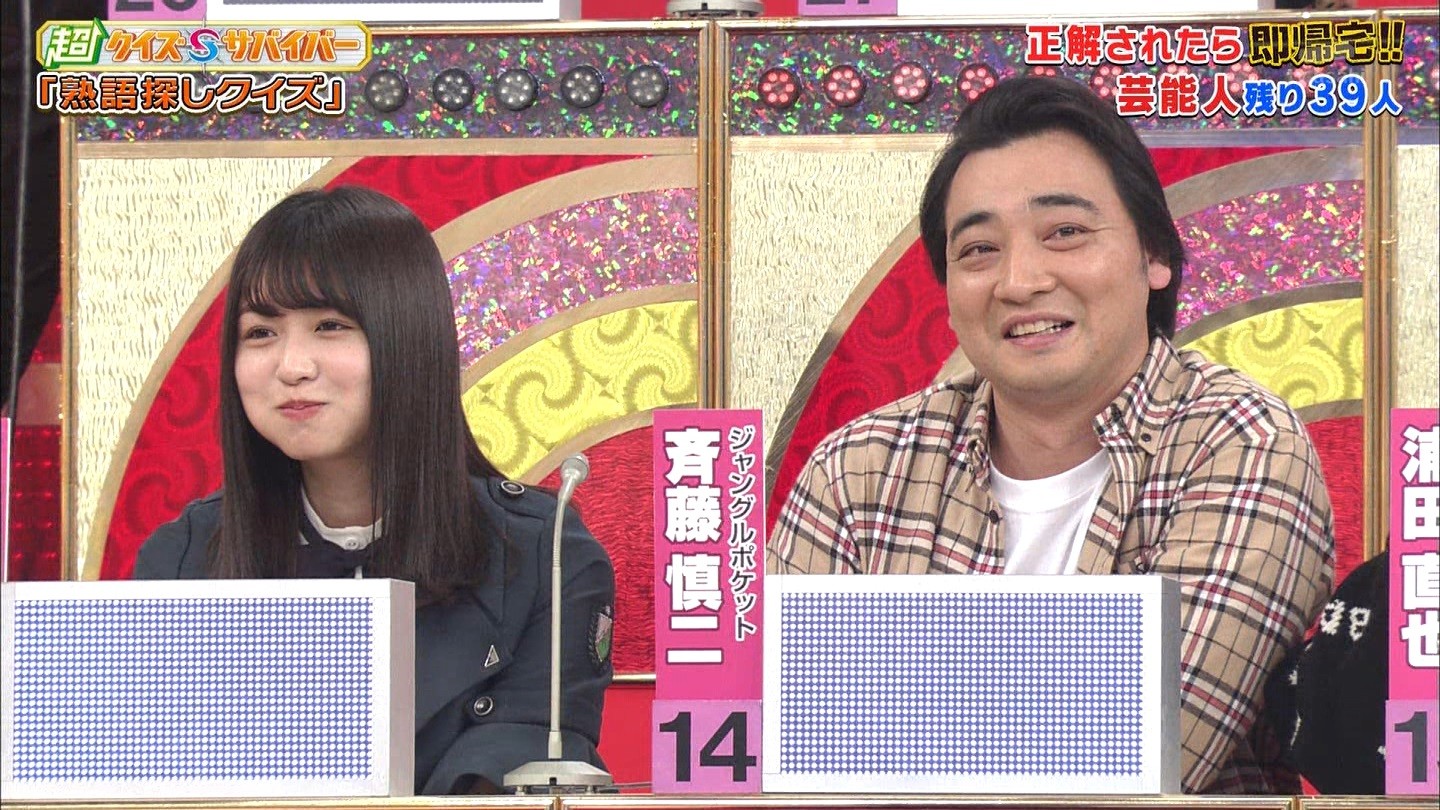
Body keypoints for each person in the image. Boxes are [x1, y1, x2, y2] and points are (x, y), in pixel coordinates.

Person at [767, 76, 1334, 794]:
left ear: (1154, 255)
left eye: (1065, 232)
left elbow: (1141, 750)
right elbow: (778, 749)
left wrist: (870, 709)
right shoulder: (858, 469)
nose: (1020, 281)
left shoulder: (1240, 441)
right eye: (979, 250)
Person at [132, 186, 615, 795]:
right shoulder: (181, 560)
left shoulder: (546, 556)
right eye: (260, 333)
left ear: (409, 339)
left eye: (330, 326)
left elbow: (527, 769)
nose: (292, 366)